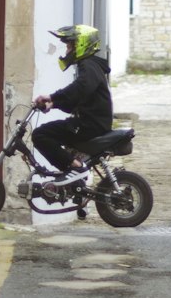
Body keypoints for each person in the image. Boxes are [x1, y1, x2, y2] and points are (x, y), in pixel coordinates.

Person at [32, 25, 112, 183]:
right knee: (48, 132)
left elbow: (80, 88)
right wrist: (52, 104)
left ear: (80, 45)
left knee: (40, 135)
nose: (67, 50)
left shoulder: (88, 66)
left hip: (90, 125)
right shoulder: (91, 65)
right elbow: (77, 97)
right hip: (91, 122)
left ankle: (75, 168)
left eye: (69, 45)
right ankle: (73, 172)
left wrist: (51, 96)